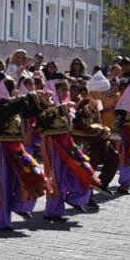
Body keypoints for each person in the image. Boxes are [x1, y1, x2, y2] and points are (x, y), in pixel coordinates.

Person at [0, 73, 48, 230]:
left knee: (29, 176)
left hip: (16, 147)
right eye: (9, 87)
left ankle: (19, 207)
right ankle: (0, 221)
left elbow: (27, 111)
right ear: (0, 88)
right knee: (2, 183)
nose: (13, 90)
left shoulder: (11, 103)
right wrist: (33, 96)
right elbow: (14, 107)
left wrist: (44, 101)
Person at [37, 75, 99, 221]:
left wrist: (88, 109)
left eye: (68, 89)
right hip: (52, 143)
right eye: (63, 89)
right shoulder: (44, 102)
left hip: (67, 143)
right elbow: (43, 118)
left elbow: (76, 118)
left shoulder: (65, 105)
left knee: (78, 170)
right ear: (54, 89)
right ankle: (52, 211)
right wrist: (64, 107)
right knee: (54, 176)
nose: (66, 93)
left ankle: (75, 198)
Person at [73, 71, 119, 194]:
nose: (105, 93)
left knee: (113, 157)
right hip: (86, 141)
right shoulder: (86, 102)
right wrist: (101, 129)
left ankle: (101, 184)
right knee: (89, 167)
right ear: (94, 90)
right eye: (102, 90)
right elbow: (81, 122)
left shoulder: (96, 103)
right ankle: (85, 194)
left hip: (97, 139)